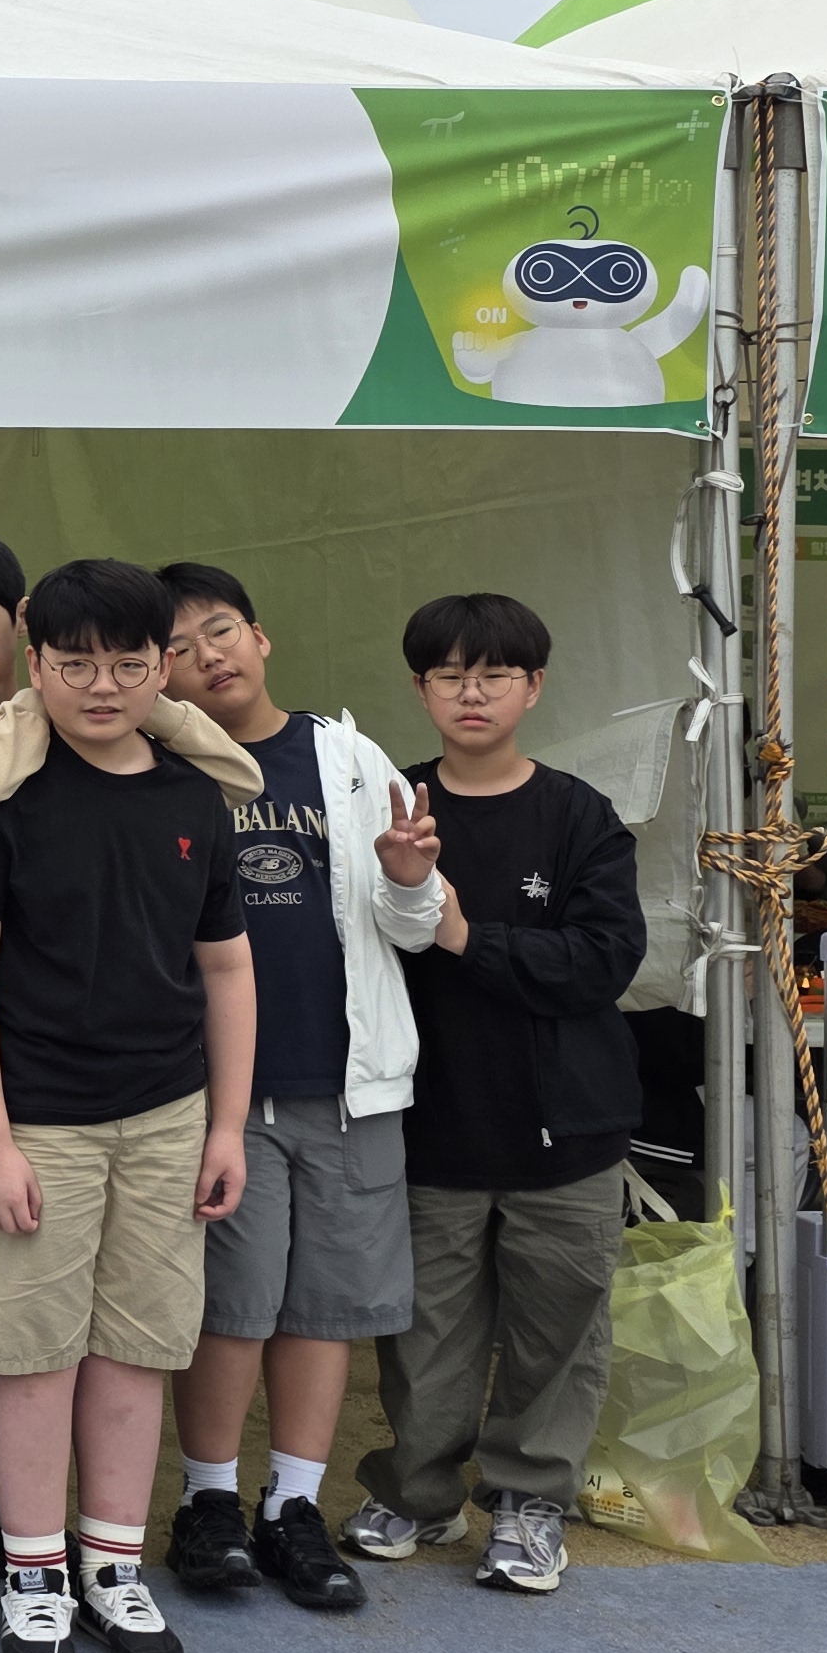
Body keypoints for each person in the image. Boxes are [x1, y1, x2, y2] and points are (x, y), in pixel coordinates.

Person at [0, 531, 257, 1653]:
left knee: (131, 1343)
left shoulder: (178, 780)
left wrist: (222, 1122)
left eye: (128, 661)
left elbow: (225, 954)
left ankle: (108, 1564)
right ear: (42, 659)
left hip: (157, 1106)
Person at [152, 563, 446, 1615]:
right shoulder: (158, 766)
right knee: (230, 1308)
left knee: (326, 1308)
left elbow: (413, 928)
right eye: (179, 647)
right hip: (217, 1093)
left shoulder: (350, 758)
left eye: (220, 629)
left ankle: (294, 1507)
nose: (207, 655)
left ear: (262, 637)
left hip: (350, 1084)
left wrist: (412, 880)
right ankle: (209, 1503)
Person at [342, 593, 645, 1595]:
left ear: (534, 687)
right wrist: (406, 890)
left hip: (567, 1130)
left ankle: (527, 1502)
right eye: (448, 675)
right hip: (428, 1124)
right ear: (419, 687)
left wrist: (470, 937)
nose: (470, 694)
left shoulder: (577, 816)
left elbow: (603, 961)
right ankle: (418, 1493)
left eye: (494, 675)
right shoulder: (392, 806)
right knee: (424, 1334)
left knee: (556, 1331)